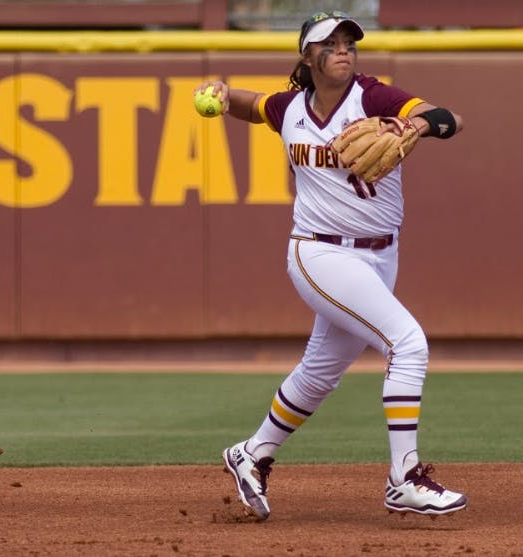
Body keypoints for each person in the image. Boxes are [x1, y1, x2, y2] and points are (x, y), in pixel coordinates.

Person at [194, 10, 466, 521]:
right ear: (307, 56)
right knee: (408, 343)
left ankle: (251, 453)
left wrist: (416, 123)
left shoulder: (373, 96)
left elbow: (449, 119)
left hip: (381, 255)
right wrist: (225, 95)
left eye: (348, 41)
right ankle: (403, 478)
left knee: (320, 372)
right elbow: (254, 106)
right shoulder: (291, 107)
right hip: (319, 252)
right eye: (329, 42)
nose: (342, 49)